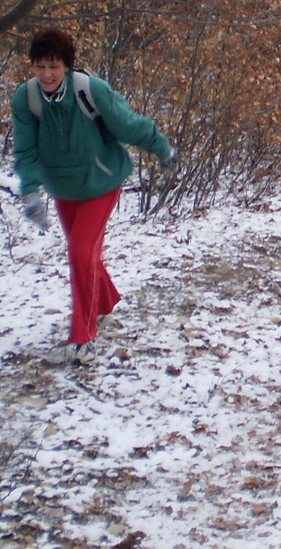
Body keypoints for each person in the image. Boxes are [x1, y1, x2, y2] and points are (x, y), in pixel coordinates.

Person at [12, 27, 176, 363]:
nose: (46, 74)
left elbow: (127, 125)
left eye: (54, 67)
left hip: (101, 182)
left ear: (67, 67)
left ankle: (83, 334)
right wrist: (31, 192)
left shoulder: (90, 90)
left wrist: (162, 149)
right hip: (63, 187)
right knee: (86, 255)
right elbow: (25, 150)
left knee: (80, 252)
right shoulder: (26, 99)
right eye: (40, 66)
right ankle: (105, 301)